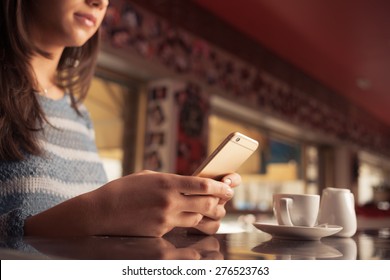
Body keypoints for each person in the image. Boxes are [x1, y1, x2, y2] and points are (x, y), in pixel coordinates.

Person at [0, 0, 240, 238]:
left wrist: (172, 218)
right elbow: (85, 218)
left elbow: (84, 230)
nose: (99, 2)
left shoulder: (79, 115)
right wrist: (100, 212)